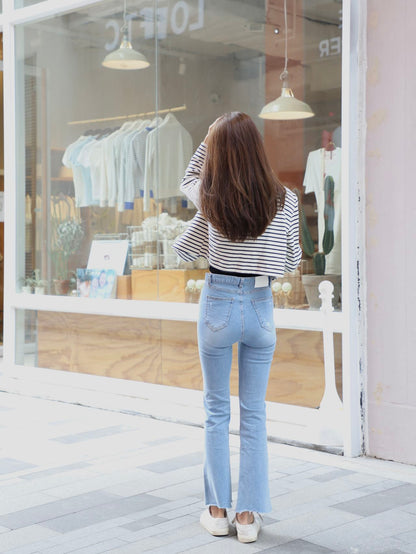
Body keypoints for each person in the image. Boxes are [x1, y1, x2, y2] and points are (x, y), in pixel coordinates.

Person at [173, 112, 302, 543]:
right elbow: (290, 262)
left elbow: (188, 176)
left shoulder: (210, 198)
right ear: (257, 147)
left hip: (218, 304)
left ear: (219, 151)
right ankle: (247, 518)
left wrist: (209, 136)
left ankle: (217, 511)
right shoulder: (285, 199)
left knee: (215, 410)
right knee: (255, 414)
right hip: (262, 307)